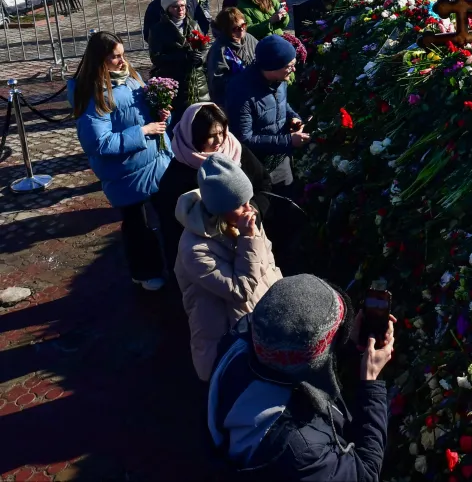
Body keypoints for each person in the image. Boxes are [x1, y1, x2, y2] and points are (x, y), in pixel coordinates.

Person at [207, 274, 393, 479]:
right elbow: (365, 474)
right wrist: (370, 381)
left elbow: (294, 353)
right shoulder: (302, 448)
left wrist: (346, 343)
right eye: (337, 333)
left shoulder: (246, 335)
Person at [69, 31, 171, 291]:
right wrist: (142, 132)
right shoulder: (94, 94)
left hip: (155, 161)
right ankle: (144, 272)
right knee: (139, 225)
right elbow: (98, 142)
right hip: (127, 172)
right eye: (115, 57)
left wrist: (160, 113)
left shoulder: (131, 78)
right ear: (100, 60)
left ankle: (165, 264)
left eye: (123, 55)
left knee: (165, 217)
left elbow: (142, 112)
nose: (122, 61)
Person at [174, 153, 282, 381]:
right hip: (226, 338)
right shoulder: (195, 249)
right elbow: (240, 291)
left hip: (261, 320)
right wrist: (247, 239)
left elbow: (268, 260)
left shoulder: (243, 219)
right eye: (240, 204)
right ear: (219, 209)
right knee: (231, 395)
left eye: (248, 200)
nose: (249, 209)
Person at [153, 102, 272, 274]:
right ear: (194, 136)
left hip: (252, 242)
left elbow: (263, 183)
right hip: (214, 260)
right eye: (210, 136)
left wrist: (254, 211)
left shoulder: (237, 151)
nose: (219, 141)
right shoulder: (178, 175)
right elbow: (172, 230)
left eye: (222, 132)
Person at [225, 35, 309, 195]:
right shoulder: (241, 93)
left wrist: (294, 117)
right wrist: (289, 141)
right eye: (289, 66)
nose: (294, 70)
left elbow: (283, 104)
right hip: (257, 166)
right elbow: (244, 138)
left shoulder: (279, 80)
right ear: (272, 67)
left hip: (280, 157)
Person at [148, 0, 211, 119]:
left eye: (182, 5)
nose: (180, 9)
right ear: (167, 9)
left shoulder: (193, 24)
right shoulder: (158, 30)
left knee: (202, 119)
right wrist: (183, 57)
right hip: (176, 82)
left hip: (198, 83)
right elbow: (156, 58)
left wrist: (200, 58)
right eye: (175, 7)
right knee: (182, 121)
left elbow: (204, 47)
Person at [207, 7, 258, 106]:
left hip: (253, 95)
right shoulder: (219, 49)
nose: (242, 29)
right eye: (236, 28)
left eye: (243, 25)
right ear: (226, 30)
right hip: (232, 101)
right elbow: (217, 83)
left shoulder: (249, 38)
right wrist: (243, 78)